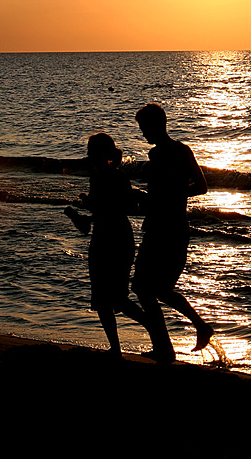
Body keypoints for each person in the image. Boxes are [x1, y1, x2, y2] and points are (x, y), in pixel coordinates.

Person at [132, 103, 212, 363]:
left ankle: (168, 345)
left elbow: (165, 194)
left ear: (155, 126)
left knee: (145, 288)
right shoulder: (183, 150)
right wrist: (172, 196)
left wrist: (159, 198)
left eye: (144, 128)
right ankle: (192, 330)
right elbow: (201, 187)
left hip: (162, 228)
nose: (143, 134)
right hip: (175, 226)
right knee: (159, 289)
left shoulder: (159, 155)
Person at [64, 133, 148, 358]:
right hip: (118, 236)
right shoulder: (117, 176)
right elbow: (119, 207)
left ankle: (136, 338)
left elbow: (105, 210)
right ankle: (138, 338)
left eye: (91, 150)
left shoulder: (101, 177)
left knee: (107, 299)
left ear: (99, 153)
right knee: (111, 299)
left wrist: (86, 208)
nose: (88, 154)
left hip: (108, 239)